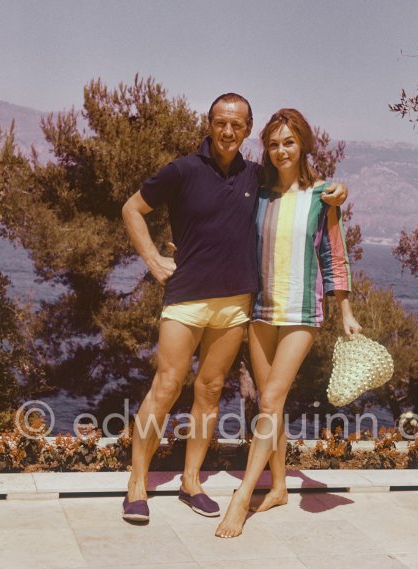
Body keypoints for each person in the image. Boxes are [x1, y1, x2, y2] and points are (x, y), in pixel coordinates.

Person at [121, 94, 347, 522]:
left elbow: (297, 182)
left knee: (208, 392)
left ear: (247, 130)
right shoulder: (183, 169)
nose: (228, 131)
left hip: (236, 305)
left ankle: (191, 481)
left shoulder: (255, 175)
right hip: (185, 298)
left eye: (237, 125)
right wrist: (153, 260)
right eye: (221, 123)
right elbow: (132, 208)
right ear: (210, 124)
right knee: (166, 387)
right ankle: (136, 485)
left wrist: (338, 189)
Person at [215, 108, 361, 538]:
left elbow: (334, 255)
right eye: (274, 143)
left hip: (301, 312)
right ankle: (278, 486)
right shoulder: (257, 194)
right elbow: (225, 232)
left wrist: (346, 312)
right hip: (260, 308)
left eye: (289, 142)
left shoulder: (323, 196)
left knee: (270, 399)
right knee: (269, 405)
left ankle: (242, 496)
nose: (281, 151)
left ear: (304, 145)